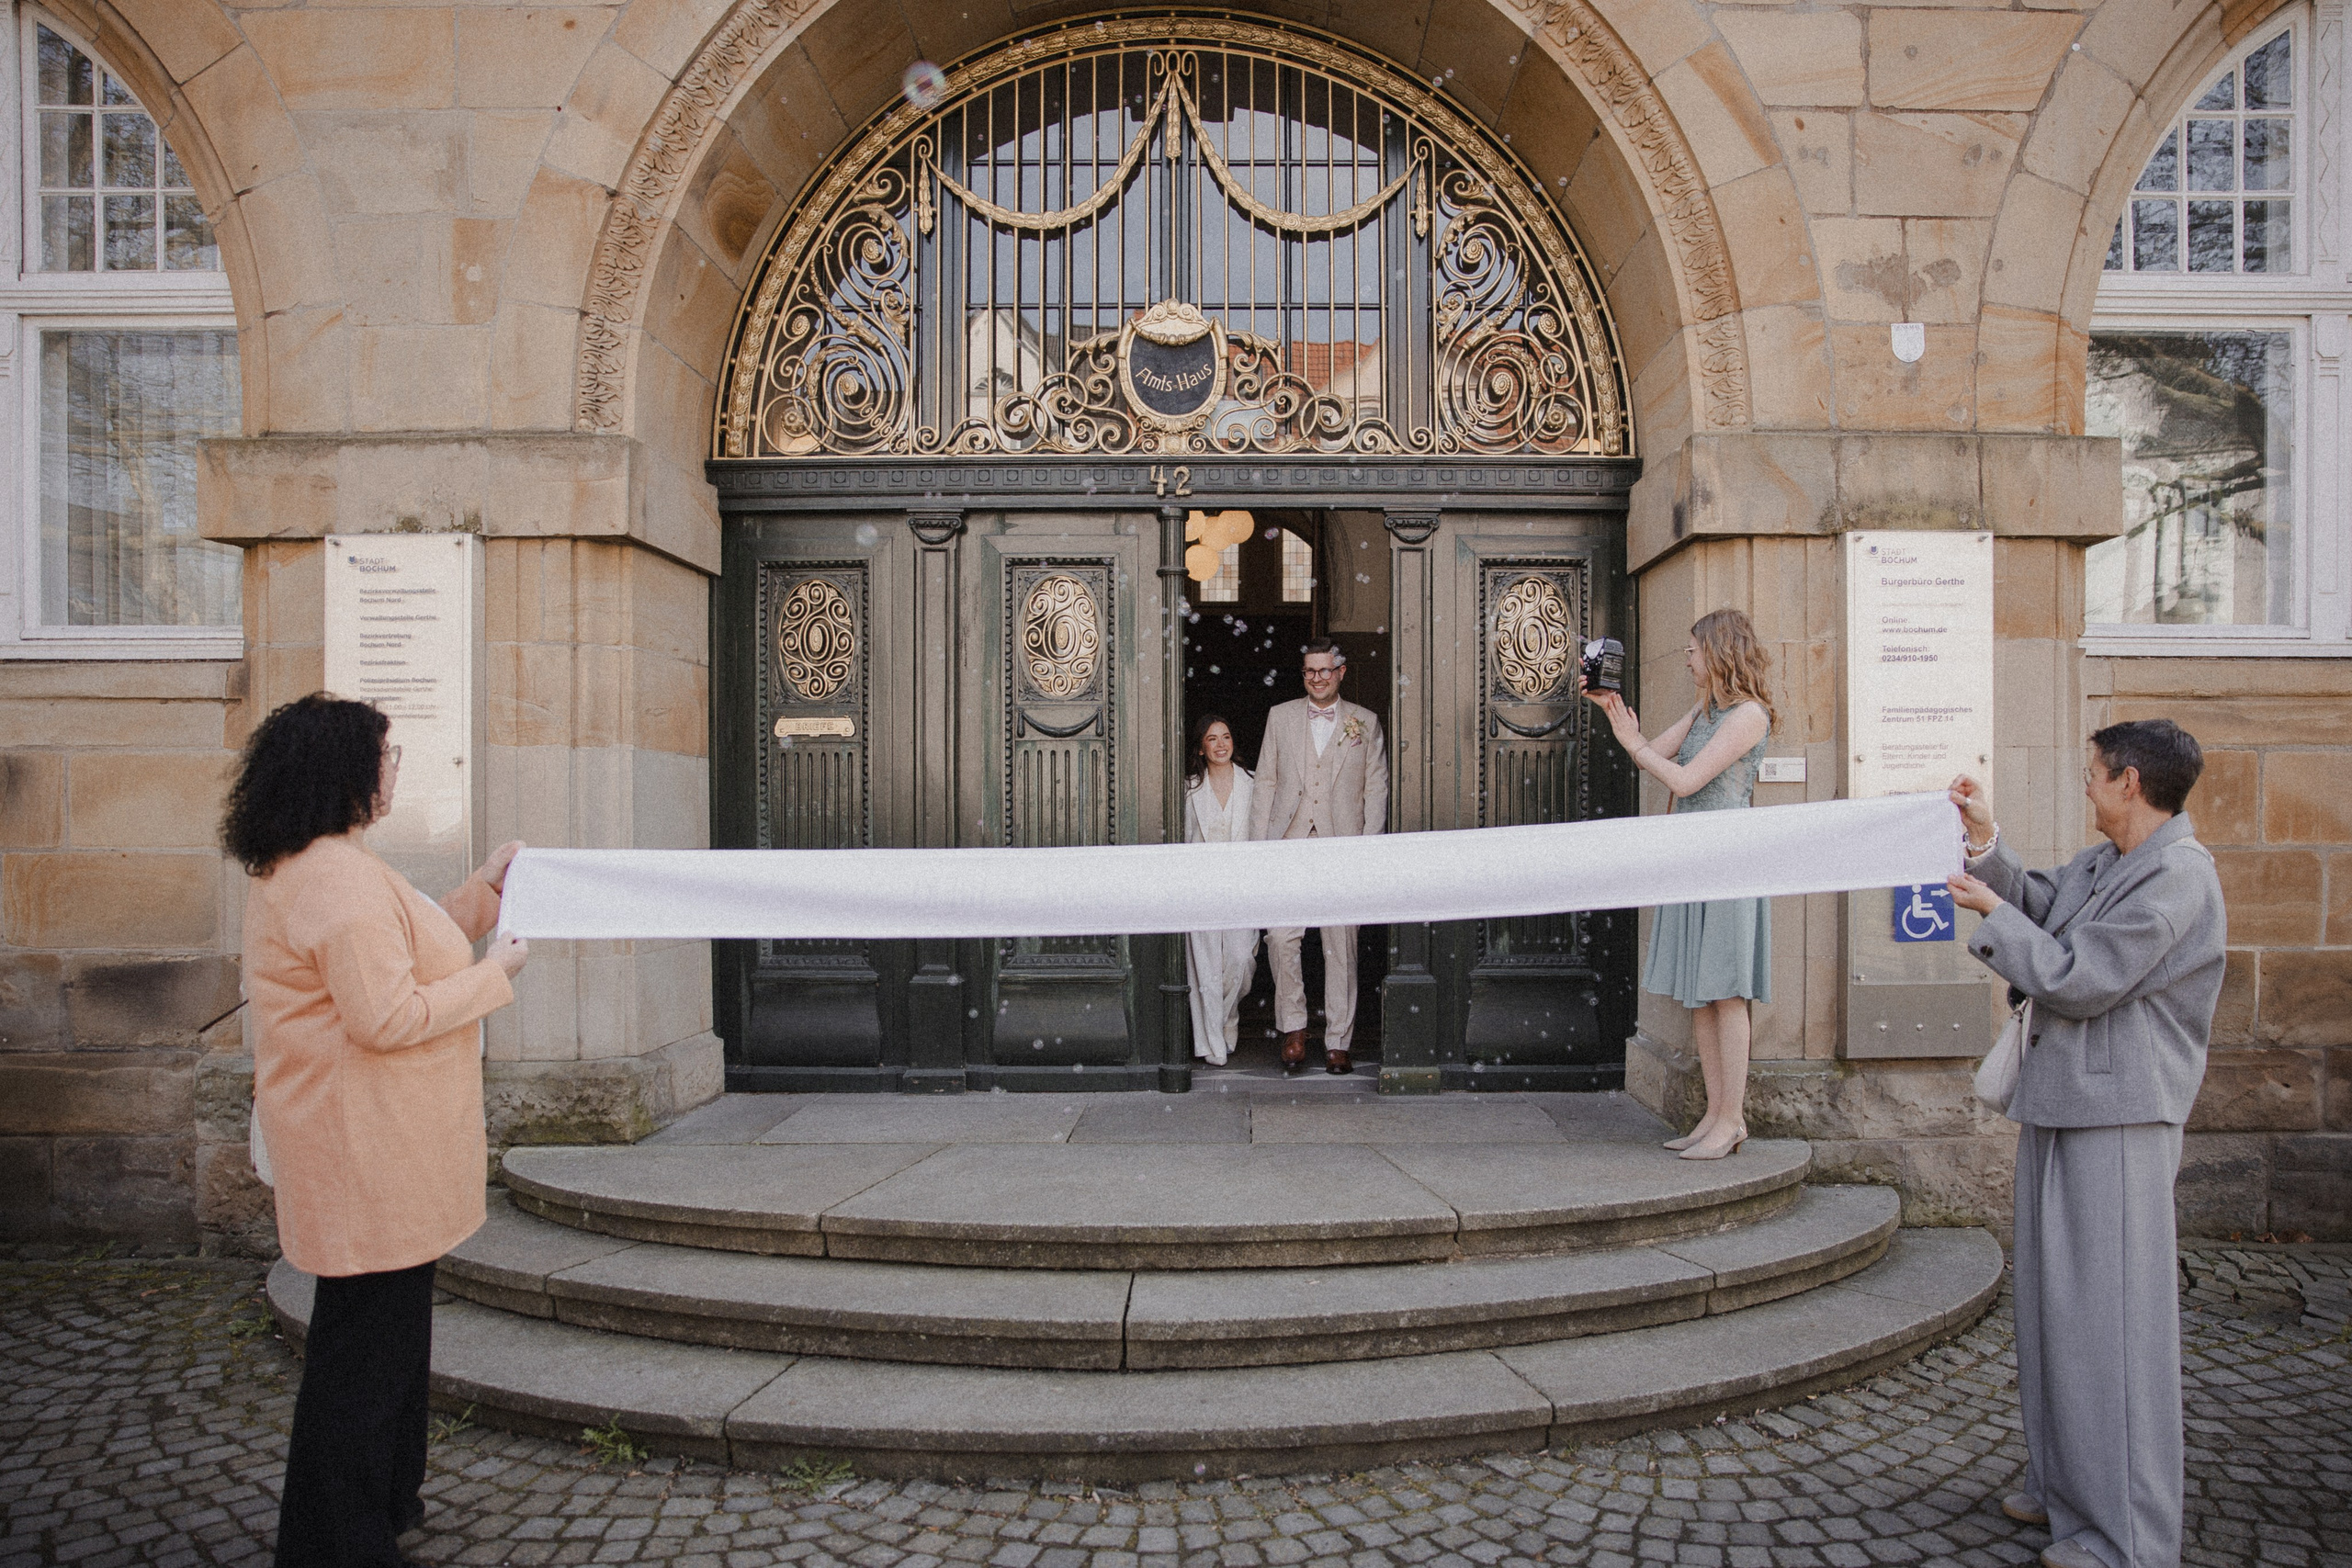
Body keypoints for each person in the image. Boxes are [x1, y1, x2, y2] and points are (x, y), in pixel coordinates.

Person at [226, 694, 530, 1568]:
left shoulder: (328, 865)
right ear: (342, 771)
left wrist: (483, 889)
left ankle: (388, 1499)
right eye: (385, 756)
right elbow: (386, 1013)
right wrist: (496, 973)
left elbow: (404, 942)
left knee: (386, 1345)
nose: (393, 770)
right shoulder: (335, 876)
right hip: (367, 1148)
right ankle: (335, 1539)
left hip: (373, 1144)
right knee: (361, 1361)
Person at [1946, 719, 2224, 1568]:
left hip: (2122, 1119)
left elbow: (2081, 978)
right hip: (2066, 1104)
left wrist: (1992, 914)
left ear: (2130, 782)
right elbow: (2045, 901)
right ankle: (2066, 1485)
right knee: (2055, 1314)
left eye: (2094, 773)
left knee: (2113, 1328)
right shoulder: (2112, 862)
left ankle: (2128, 1535)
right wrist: (1986, 841)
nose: (2087, 783)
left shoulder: (2179, 877)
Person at [1582, 609, 1774, 1159]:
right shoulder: (1706, 709)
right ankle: (1713, 1115)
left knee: (1727, 993)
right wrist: (1615, 715)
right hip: (1693, 858)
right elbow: (1651, 753)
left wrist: (1638, 747)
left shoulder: (1748, 716)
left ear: (1718, 651)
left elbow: (1687, 778)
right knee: (1700, 994)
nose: (1687, 657)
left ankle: (1733, 1120)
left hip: (1729, 861)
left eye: (1693, 649)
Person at [1246, 638, 1388, 1075]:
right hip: (1288, 840)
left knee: (1339, 942)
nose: (1318, 678)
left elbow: (1375, 789)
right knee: (1281, 936)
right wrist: (1258, 847)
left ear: (1341, 672)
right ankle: (1293, 1027)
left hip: (1341, 845)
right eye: (1310, 671)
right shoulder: (1280, 716)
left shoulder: (1365, 722)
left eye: (1325, 671)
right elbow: (1266, 781)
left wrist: (1365, 848)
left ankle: (1338, 1039)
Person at [1182, 714, 1260, 1066]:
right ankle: (1212, 1041)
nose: (1220, 744)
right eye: (1212, 739)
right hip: (1201, 889)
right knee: (1206, 970)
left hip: (1243, 888)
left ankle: (1227, 1017)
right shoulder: (1189, 789)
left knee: (1241, 960)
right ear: (1201, 747)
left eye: (1225, 737)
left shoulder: (1254, 784)